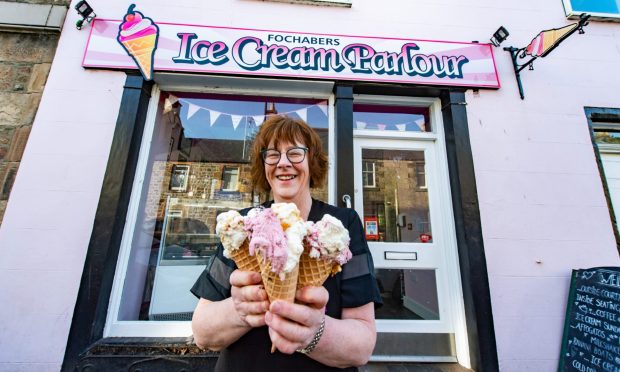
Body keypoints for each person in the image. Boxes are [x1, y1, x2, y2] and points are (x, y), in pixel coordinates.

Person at [191, 115, 382, 371]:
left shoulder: (340, 227)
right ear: (264, 165)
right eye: (272, 154)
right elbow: (203, 332)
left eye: (295, 153)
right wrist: (241, 310)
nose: (283, 163)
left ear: (311, 161)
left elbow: (362, 345)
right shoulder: (241, 227)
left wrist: (313, 334)